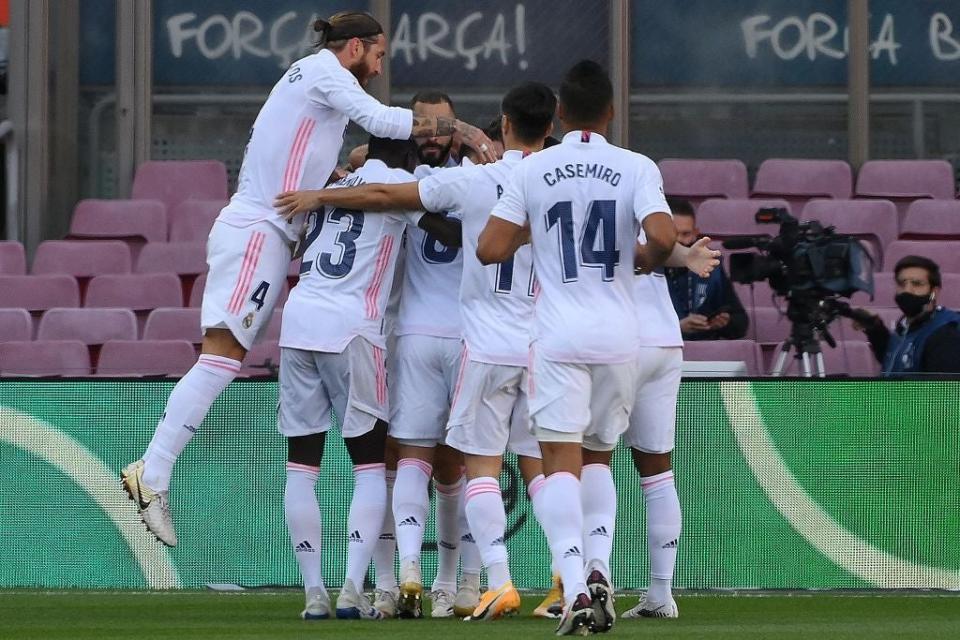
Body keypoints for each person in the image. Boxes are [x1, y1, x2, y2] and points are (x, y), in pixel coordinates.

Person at [120, 10, 496, 548]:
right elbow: (385, 124)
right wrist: (459, 127)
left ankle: (154, 474)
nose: (379, 66)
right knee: (221, 358)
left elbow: (309, 152)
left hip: (269, 232)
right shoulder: (325, 73)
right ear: (356, 48)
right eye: (379, 55)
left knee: (228, 362)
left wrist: (333, 180)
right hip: (258, 229)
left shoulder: (314, 78)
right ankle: (152, 475)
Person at [277, 81, 563, 622]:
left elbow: (378, 183)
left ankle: (444, 580)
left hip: (450, 335)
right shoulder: (488, 178)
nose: (431, 136)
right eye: (423, 126)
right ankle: (418, 582)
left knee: (439, 462)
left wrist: (329, 187)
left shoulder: (452, 181)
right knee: (442, 461)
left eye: (441, 126)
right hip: (462, 337)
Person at [475, 60, 678, 635]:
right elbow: (663, 237)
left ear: (560, 112)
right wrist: (635, 259)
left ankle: (571, 582)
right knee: (599, 459)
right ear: (611, 111)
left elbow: (490, 249)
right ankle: (600, 569)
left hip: (558, 333)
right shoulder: (636, 165)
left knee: (558, 458)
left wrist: (535, 227)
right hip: (619, 336)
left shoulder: (536, 169)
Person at [278, 136, 460, 620]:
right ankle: (352, 588)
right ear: (410, 155)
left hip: (297, 322)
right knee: (370, 464)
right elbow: (449, 234)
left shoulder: (329, 187)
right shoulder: (399, 183)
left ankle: (313, 590)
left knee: (301, 465)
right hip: (352, 328)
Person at [851, 255, 960, 374]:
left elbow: (941, 390)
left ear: (934, 292)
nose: (907, 290)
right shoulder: (905, 325)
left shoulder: (946, 335)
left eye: (917, 284)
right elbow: (895, 361)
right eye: (902, 284)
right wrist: (876, 329)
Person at [665, 199, 748, 340]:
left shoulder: (711, 265)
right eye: (674, 233)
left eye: (685, 234)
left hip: (705, 355)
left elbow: (741, 322)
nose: (679, 240)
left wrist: (725, 322)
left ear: (695, 233)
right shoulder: (646, 267)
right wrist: (677, 328)